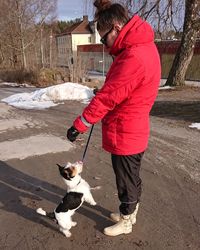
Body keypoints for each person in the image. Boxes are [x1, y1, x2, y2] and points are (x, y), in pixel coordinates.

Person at [67, 0, 161, 237]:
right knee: (130, 176)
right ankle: (129, 212)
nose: (104, 44)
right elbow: (121, 90)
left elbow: (108, 99)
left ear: (117, 27)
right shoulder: (139, 48)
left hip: (126, 130)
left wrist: (79, 125)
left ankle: (127, 220)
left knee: (126, 180)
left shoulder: (133, 56)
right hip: (132, 126)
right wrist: (110, 91)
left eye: (103, 37)